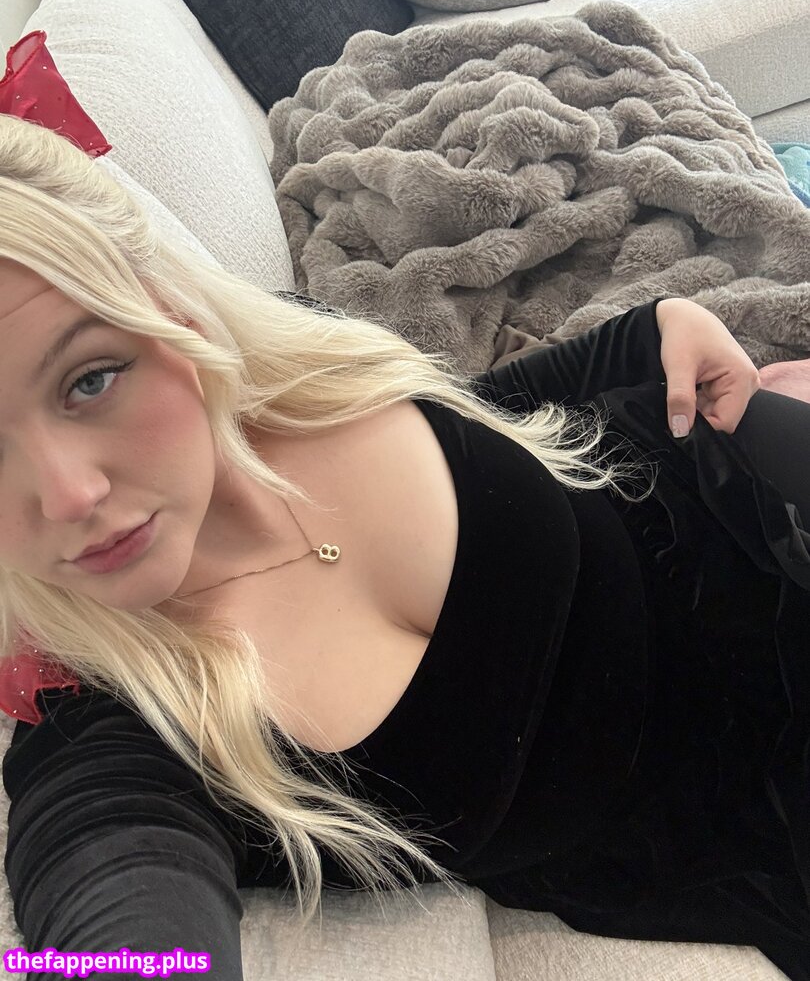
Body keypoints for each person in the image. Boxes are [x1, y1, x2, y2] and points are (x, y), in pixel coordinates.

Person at [1, 110, 810, 981]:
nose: (71, 493)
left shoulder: (294, 370)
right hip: (756, 814)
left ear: (170, 315)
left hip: (731, 490)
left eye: (91, 379)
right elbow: (117, 902)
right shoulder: (113, 734)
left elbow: (471, 415)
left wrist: (644, 333)